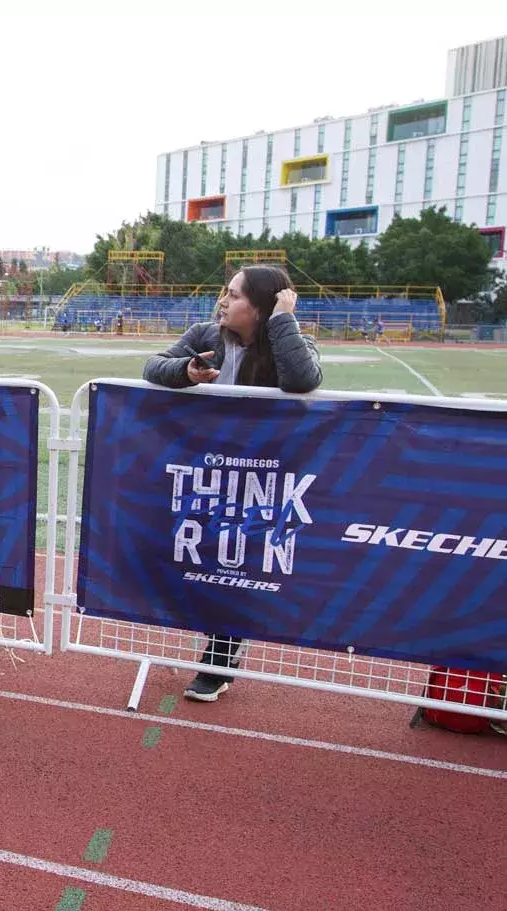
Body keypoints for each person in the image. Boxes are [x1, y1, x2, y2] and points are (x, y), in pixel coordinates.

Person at [142, 264, 323, 703]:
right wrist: (186, 372)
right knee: (187, 550)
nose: (224, 300)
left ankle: (219, 659)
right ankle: (209, 636)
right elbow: (152, 366)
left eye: (236, 295)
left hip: (260, 477)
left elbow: (304, 379)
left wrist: (283, 319)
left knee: (236, 564)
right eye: (226, 292)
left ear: (261, 308)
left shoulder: (290, 339)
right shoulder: (206, 335)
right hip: (202, 470)